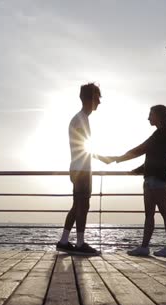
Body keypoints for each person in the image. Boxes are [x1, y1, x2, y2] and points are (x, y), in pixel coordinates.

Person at [106, 104, 166, 257]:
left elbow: (141, 149)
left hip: (158, 179)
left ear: (158, 116)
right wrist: (136, 171)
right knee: (149, 214)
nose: (148, 118)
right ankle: (145, 246)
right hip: (150, 179)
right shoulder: (160, 134)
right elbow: (151, 158)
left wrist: (117, 159)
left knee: (165, 212)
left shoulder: (162, 134)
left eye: (150, 114)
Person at [56, 82, 104, 256]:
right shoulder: (81, 119)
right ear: (90, 98)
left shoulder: (81, 118)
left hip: (80, 168)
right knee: (82, 205)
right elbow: (83, 146)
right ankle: (80, 243)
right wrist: (103, 158)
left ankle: (63, 241)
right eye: (97, 97)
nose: (99, 101)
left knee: (78, 205)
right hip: (81, 169)